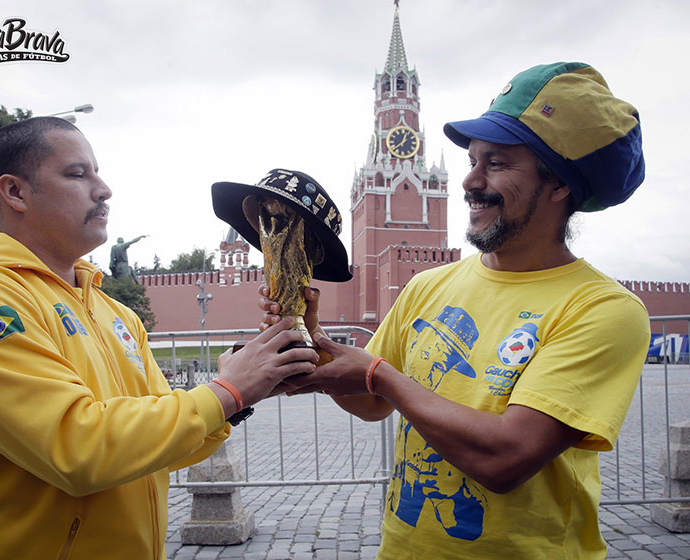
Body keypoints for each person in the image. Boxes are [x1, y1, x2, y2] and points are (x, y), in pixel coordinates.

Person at [259, 62, 650, 558]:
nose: (470, 181)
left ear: (559, 184)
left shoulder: (602, 310)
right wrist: (317, 348)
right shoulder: (428, 286)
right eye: (472, 160)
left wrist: (378, 374)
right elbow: (372, 403)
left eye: (497, 163)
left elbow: (506, 458)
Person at [0, 116, 318, 560]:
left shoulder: (114, 312)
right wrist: (227, 391)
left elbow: (159, 446)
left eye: (98, 173)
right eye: (77, 173)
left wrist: (252, 384)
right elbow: (77, 450)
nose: (103, 189)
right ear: (15, 192)